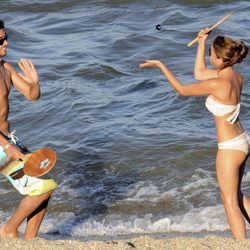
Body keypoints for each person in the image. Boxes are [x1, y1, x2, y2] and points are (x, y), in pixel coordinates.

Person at [139, 28, 249, 240]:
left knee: (229, 202)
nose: (209, 56)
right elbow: (199, 73)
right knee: (235, 195)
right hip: (243, 141)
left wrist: (161, 66)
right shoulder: (236, 77)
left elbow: (182, 90)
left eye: (210, 53)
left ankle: (241, 245)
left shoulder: (218, 83)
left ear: (218, 58)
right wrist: (201, 42)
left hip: (229, 149)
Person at [0, 20, 57, 240]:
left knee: (44, 182)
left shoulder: (6, 68)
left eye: (6, 37)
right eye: (1, 39)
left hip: (7, 140)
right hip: (2, 145)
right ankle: (7, 230)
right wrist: (7, 147)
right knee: (42, 187)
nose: (6, 42)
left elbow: (33, 97)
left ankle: (30, 240)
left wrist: (35, 84)